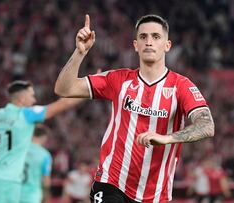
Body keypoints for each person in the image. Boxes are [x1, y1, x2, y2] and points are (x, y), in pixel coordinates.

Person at [54, 14, 215, 202]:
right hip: (112, 183)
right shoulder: (118, 79)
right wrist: (79, 53)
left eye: (156, 37)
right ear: (135, 45)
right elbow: (64, 89)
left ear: (167, 45)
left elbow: (207, 125)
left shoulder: (182, 86)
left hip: (156, 194)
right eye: (143, 37)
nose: (149, 42)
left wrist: (166, 138)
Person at [20, 124, 52, 203]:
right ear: (44, 138)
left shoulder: (20, 149)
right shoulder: (45, 155)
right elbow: (46, 180)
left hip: (15, 192)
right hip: (32, 195)